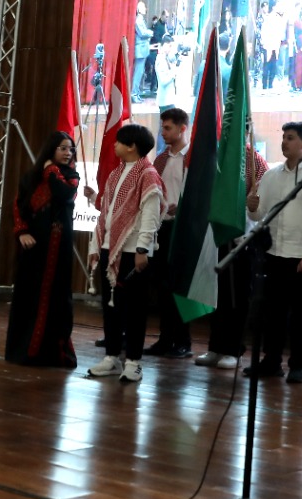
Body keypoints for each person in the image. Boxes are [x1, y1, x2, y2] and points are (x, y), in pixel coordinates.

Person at [88, 122, 164, 384]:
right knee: (111, 306)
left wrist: (142, 249)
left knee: (135, 309)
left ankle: (133, 361)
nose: (115, 145)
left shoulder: (148, 175)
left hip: (133, 252)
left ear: (132, 146)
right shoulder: (115, 173)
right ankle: (112, 357)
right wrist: (95, 246)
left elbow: (150, 216)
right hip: (110, 249)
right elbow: (106, 214)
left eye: (119, 141)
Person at [245, 122, 302, 382]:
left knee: (300, 315)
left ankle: (298, 365)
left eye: (291, 138)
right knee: (272, 313)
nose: (285, 142)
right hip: (273, 253)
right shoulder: (271, 175)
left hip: (300, 255)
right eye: (284, 137)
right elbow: (259, 216)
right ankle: (271, 360)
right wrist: (252, 206)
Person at [4, 131, 81, 368]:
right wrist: (22, 232)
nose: (68, 153)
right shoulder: (31, 177)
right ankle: (23, 349)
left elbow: (63, 194)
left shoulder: (70, 177)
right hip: (33, 247)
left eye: (70, 149)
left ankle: (50, 353)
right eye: (63, 148)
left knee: (55, 296)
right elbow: (18, 206)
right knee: (29, 294)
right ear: (51, 149)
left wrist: (51, 171)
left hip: (58, 248)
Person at [195, 141, 268, 371]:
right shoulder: (219, 157)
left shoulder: (254, 161)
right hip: (216, 237)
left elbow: (258, 204)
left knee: (237, 297)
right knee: (218, 295)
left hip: (241, 240)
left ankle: (233, 350)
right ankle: (216, 347)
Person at [146, 108, 192, 360]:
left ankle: (183, 342)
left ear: (182, 128)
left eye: (167, 128)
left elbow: (200, 195)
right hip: (162, 228)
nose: (163, 133)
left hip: (184, 229)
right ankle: (165, 339)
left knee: (180, 287)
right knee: (163, 287)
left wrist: (183, 208)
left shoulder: (194, 158)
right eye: (162, 127)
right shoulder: (161, 159)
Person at [288, 5, 302, 93]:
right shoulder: (296, 22)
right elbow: (294, 34)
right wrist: (299, 45)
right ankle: (296, 84)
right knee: (298, 66)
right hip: (298, 45)